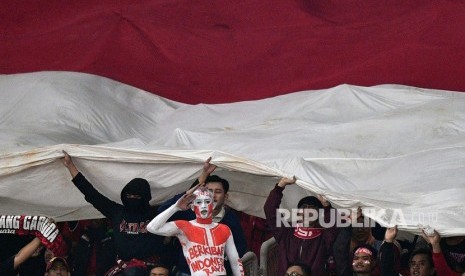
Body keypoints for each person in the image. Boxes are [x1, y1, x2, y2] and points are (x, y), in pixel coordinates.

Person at [61, 151, 164, 275]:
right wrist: (71, 166)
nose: (132, 198)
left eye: (136, 196)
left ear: (145, 197)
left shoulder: (156, 214)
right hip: (123, 267)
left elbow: (179, 204)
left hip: (152, 269)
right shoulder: (117, 212)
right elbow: (91, 194)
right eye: (129, 195)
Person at [157, 157, 247, 275]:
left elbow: (240, 246)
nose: (213, 195)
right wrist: (183, 199)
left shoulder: (231, 219)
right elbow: (162, 213)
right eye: (209, 191)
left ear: (226, 197)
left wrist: (218, 259)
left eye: (218, 191)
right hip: (187, 272)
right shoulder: (189, 213)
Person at [147, 185, 244, 275]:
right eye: (198, 202)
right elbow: (152, 227)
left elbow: (235, 262)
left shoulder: (224, 229)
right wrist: (176, 207)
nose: (203, 206)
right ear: (192, 207)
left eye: (207, 201)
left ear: (213, 205)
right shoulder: (184, 226)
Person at [264, 176, 338, 276]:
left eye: (312, 210)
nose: (306, 213)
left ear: (319, 215)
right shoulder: (285, 233)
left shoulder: (324, 237)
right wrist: (281, 185)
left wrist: (326, 206)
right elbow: (270, 210)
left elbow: (332, 224)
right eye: (303, 209)